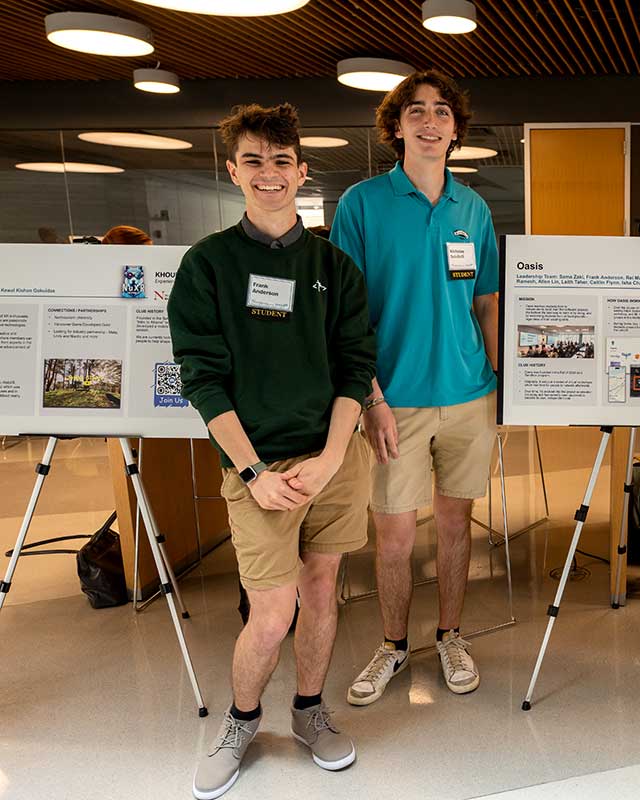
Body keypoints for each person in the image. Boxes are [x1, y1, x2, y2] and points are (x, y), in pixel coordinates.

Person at [168, 103, 376, 799]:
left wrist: (331, 454)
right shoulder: (208, 266)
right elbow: (202, 378)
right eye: (254, 160)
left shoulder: (333, 266)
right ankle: (240, 721)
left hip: (333, 459)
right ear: (232, 171)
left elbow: (355, 366)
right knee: (271, 609)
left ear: (302, 171)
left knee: (321, 591)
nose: (268, 173)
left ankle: (311, 713)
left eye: (281, 161)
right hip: (257, 466)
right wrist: (252, 470)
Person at [331, 70, 499, 705]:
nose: (431, 122)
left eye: (443, 113)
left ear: (456, 130)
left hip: (467, 395)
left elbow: (485, 302)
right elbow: (345, 316)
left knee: (457, 525)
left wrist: (497, 387)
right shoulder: (362, 205)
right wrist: (370, 400)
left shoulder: (473, 210)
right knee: (396, 536)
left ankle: (451, 634)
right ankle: (395, 645)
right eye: (417, 112)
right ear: (395, 126)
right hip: (392, 400)